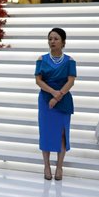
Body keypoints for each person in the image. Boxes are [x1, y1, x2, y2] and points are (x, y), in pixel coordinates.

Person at [35, 27, 76, 181]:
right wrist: (52, 93)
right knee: (45, 132)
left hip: (63, 99)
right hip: (46, 99)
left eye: (56, 39)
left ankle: (59, 166)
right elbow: (38, 80)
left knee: (62, 134)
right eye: (50, 38)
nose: (52, 41)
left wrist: (58, 96)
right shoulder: (41, 59)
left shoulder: (70, 61)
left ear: (63, 42)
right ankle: (46, 166)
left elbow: (71, 81)